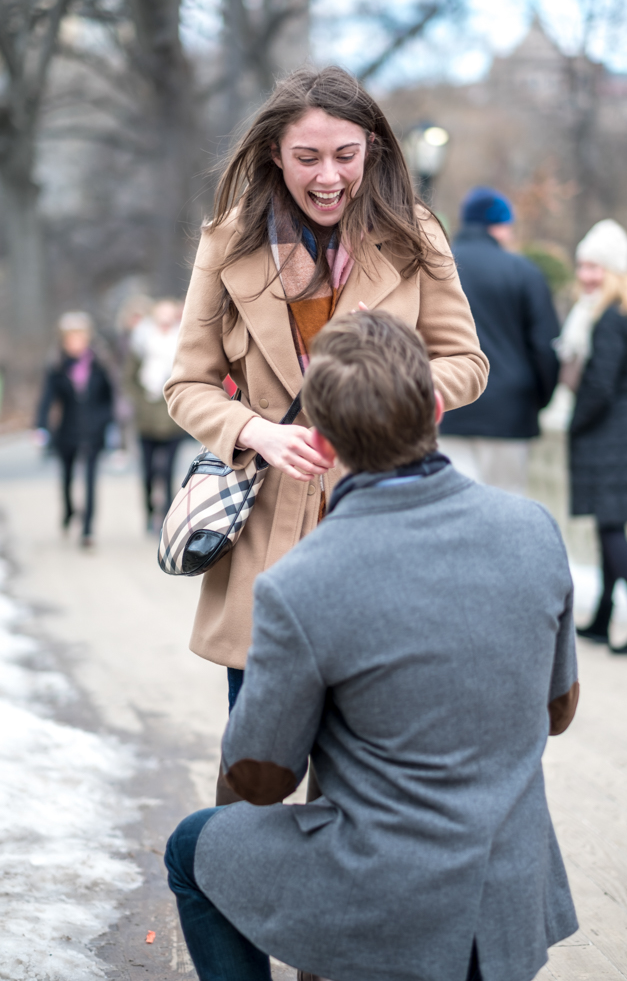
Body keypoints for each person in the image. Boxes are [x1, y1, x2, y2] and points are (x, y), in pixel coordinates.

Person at [165, 310, 579, 981]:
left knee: (191, 849)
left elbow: (262, 778)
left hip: (387, 903)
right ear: (436, 407)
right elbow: (558, 710)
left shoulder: (300, 586)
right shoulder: (533, 529)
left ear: (321, 445)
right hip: (507, 901)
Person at [164, 66, 489, 803]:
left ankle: (349, 916)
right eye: (308, 156)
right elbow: (185, 384)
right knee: (255, 775)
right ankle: (241, 908)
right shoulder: (228, 240)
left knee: (361, 785)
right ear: (275, 152)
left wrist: (388, 398)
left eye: (345, 154)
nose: (329, 175)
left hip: (381, 527)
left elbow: (466, 362)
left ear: (371, 147)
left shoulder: (416, 233)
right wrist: (255, 433)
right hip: (266, 548)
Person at [561, 219, 627, 654]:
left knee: (612, 532)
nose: (586, 275)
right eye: (582, 266)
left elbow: (600, 386)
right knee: (610, 526)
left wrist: (574, 422)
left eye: (595, 267)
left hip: (613, 438)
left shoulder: (610, 318)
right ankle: (604, 616)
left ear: (615, 270)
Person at [440, 185, 560, 494]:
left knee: (456, 509)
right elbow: (545, 347)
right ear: (500, 225)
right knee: (506, 509)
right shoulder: (524, 272)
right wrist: (538, 400)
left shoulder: (437, 268)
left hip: (449, 405)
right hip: (510, 413)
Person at [35, 312, 113, 548]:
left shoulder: (100, 364)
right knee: (67, 478)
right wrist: (40, 426)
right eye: (71, 338)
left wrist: (106, 422)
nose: (76, 343)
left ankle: (88, 529)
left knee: (90, 480)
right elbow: (47, 399)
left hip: (93, 431)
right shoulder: (57, 366)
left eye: (80, 337)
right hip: (67, 431)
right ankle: (69, 511)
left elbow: (109, 398)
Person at [125, 299, 185, 532]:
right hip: (146, 419)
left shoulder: (182, 342)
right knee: (148, 471)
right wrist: (139, 402)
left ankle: (168, 515)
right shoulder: (140, 343)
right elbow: (127, 378)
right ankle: (150, 512)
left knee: (169, 471)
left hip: (173, 419)